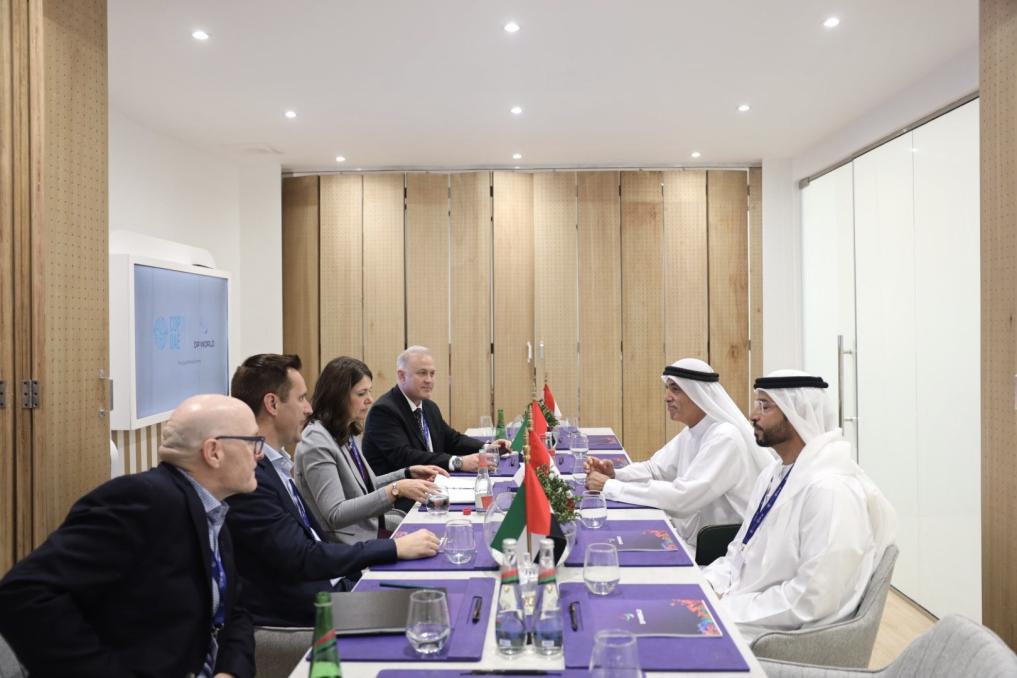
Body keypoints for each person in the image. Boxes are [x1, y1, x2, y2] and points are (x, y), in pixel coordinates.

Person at [0, 394, 258, 678]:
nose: (258, 454)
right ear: (214, 452)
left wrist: (230, 671)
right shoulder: (141, 501)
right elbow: (24, 593)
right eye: (252, 442)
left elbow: (235, 610)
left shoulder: (212, 509)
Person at [226, 353, 440, 627]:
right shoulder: (252, 478)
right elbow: (309, 549)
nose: (308, 408)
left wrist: (405, 474)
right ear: (272, 404)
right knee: (429, 611)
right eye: (301, 398)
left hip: (334, 581)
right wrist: (392, 545)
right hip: (314, 603)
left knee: (435, 597)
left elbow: (361, 490)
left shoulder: (278, 463)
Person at [702, 369, 896, 640]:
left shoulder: (830, 491)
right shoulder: (774, 474)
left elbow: (812, 599)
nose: (753, 415)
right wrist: (707, 584)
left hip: (780, 635)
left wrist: (725, 608)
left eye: (765, 406)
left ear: (797, 414)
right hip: (746, 606)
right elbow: (739, 553)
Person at [585, 358, 772, 550]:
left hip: (720, 551)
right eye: (667, 389)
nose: (667, 397)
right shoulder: (694, 430)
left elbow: (682, 498)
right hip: (693, 539)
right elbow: (655, 469)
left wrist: (610, 487)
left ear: (698, 394)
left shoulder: (725, 437)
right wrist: (615, 475)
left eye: (675, 389)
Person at [294, 356, 448, 544]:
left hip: (370, 529)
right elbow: (335, 513)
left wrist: (407, 474)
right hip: (346, 545)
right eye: (361, 394)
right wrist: (396, 490)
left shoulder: (344, 430)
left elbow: (365, 487)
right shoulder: (316, 441)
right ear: (337, 397)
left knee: (439, 533)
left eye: (370, 391)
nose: (370, 400)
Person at [363, 345, 499, 476]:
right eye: (422, 373)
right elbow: (405, 457)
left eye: (432, 374)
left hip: (432, 483)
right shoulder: (384, 411)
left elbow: (452, 440)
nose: (429, 380)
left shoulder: (429, 407)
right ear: (402, 376)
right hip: (398, 489)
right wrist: (458, 462)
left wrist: (488, 447)